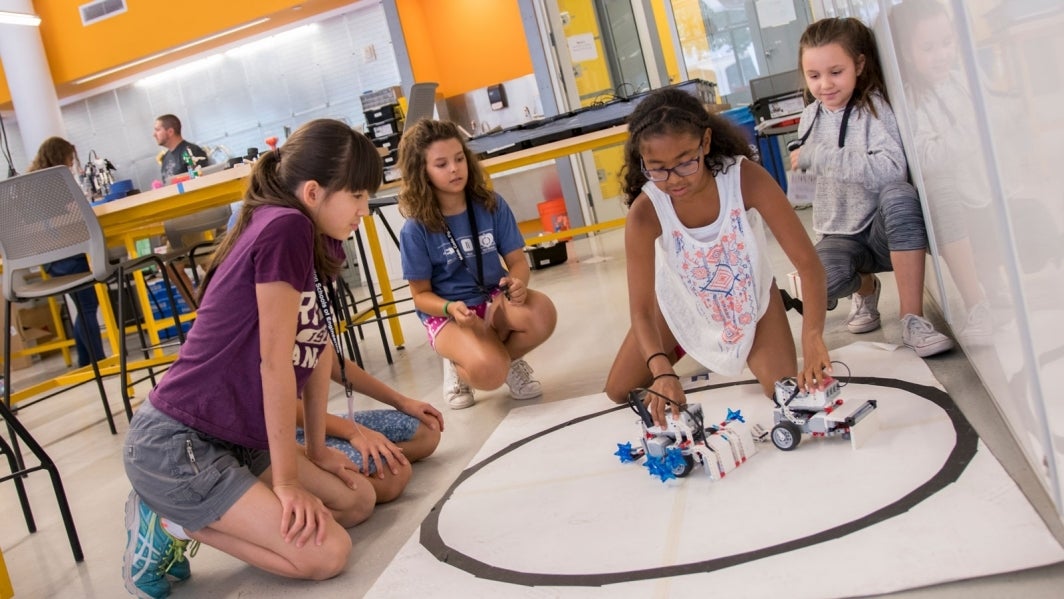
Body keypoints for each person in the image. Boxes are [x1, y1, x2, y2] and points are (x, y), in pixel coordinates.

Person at [122, 120, 392, 598]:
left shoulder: (310, 232)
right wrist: (287, 484)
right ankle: (170, 521)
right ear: (313, 191)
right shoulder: (285, 227)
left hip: (237, 437)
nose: (363, 211)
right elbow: (274, 364)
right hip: (178, 443)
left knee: (358, 501)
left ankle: (223, 505)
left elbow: (310, 351)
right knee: (326, 553)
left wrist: (316, 452)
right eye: (357, 196)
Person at [603, 87, 832, 426]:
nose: (673, 179)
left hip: (748, 300)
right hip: (680, 303)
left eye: (685, 162)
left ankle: (724, 332)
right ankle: (686, 341)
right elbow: (641, 308)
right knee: (619, 389)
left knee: (780, 387)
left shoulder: (745, 179)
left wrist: (812, 336)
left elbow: (809, 265)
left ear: (705, 142)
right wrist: (662, 368)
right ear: (642, 162)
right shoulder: (645, 211)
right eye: (657, 168)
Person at [789, 17, 954, 357]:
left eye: (836, 72)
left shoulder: (874, 107)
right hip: (838, 234)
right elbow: (803, 191)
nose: (825, 85)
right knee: (820, 285)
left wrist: (822, 157)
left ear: (859, 64)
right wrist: (801, 179)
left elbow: (893, 170)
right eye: (814, 76)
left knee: (899, 195)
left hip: (884, 231)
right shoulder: (808, 117)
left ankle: (912, 318)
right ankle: (865, 288)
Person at [397, 119, 557, 410]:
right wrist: (450, 308)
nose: (455, 169)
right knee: (488, 373)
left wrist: (518, 283)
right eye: (441, 164)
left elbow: (518, 262)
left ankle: (504, 361)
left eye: (459, 159)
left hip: (493, 299)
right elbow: (420, 296)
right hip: (449, 315)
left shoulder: (490, 204)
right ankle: (460, 364)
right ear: (423, 172)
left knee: (543, 313)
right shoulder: (415, 228)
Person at [27, 136, 107, 368]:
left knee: (83, 306)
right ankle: (97, 362)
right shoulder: (55, 182)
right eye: (70, 159)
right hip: (67, 253)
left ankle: (85, 360)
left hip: (49, 258)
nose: (72, 164)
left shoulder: (32, 183)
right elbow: (75, 213)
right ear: (59, 157)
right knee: (88, 305)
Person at [153, 114, 209, 183]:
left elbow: (197, 180)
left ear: (170, 132)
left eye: (157, 130)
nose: (154, 135)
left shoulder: (188, 153)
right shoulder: (166, 157)